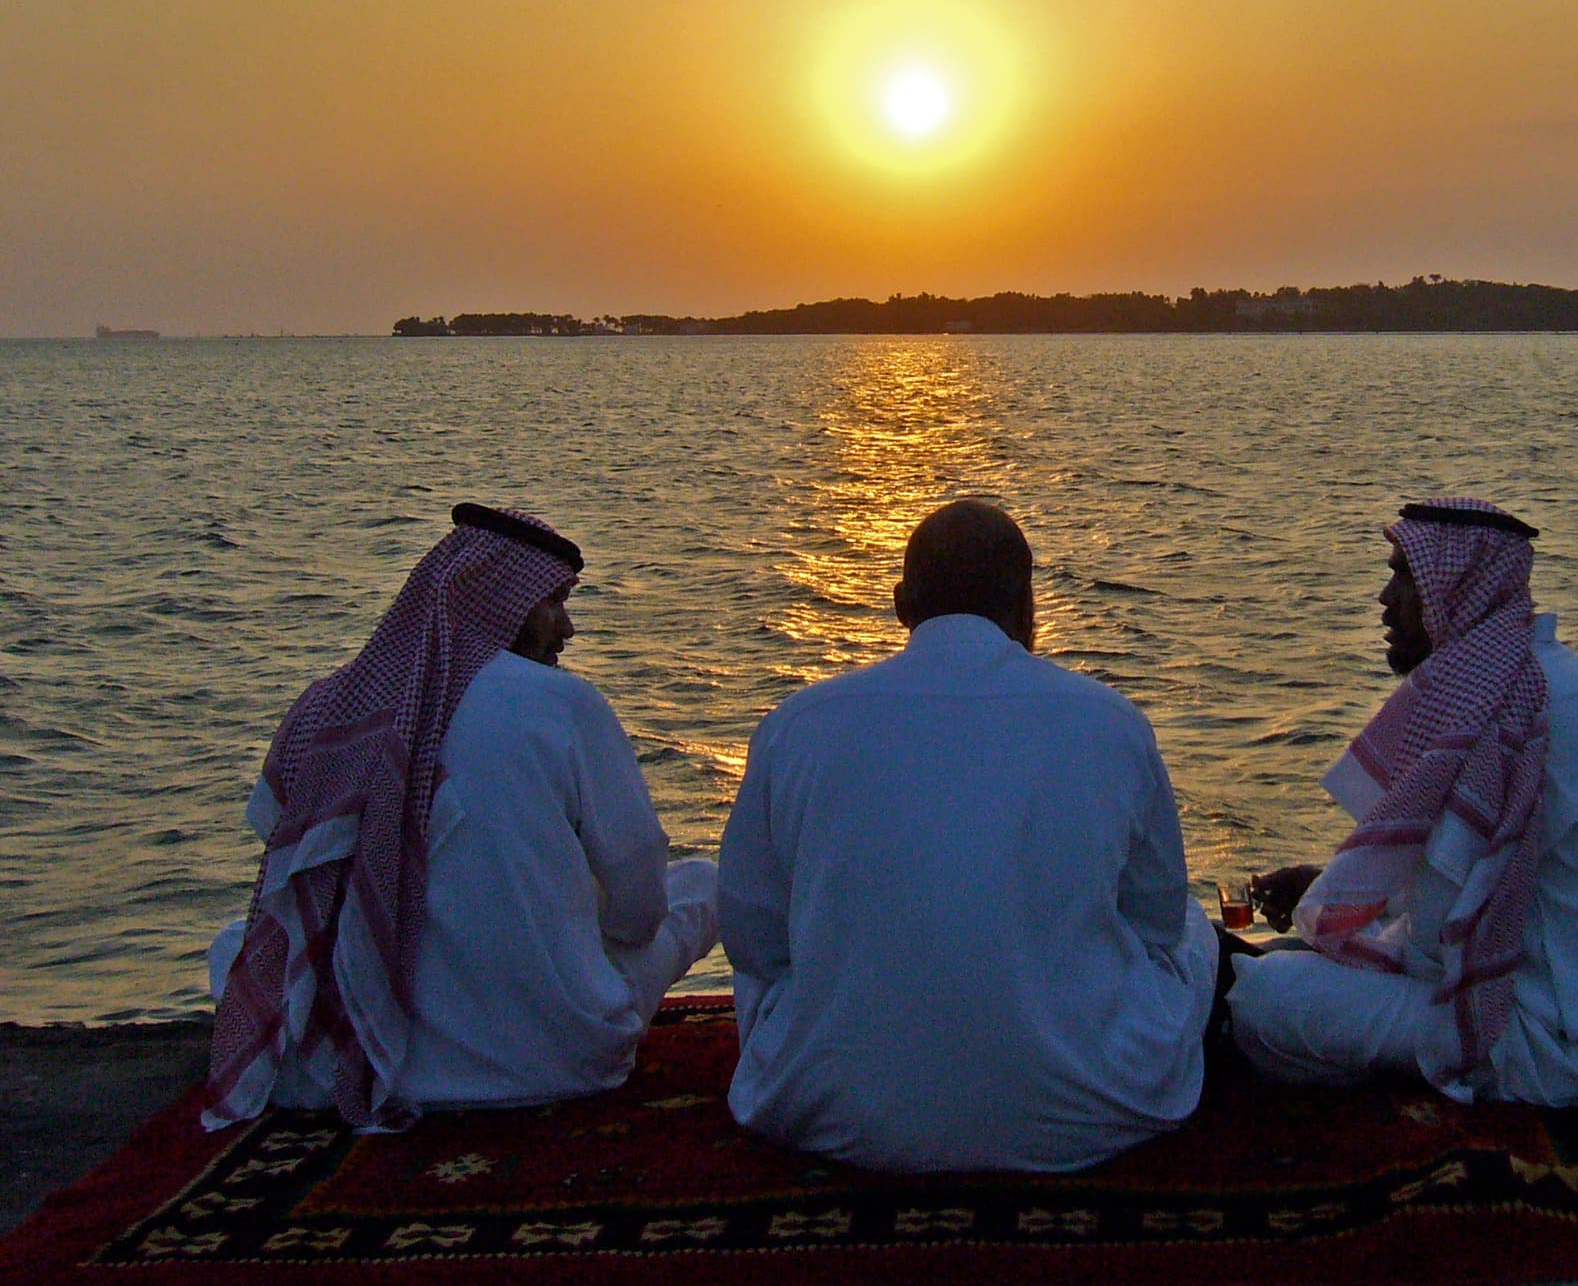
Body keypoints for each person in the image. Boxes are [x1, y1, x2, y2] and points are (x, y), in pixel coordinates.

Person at [718, 499, 1217, 1171]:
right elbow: (1155, 923)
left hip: (832, 1110)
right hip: (1090, 1110)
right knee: (1193, 926)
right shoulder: (1110, 721)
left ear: (900, 605)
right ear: (1028, 605)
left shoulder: (797, 724)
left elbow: (753, 938)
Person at [203, 504, 719, 1130]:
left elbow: (283, 852)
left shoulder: (331, 704)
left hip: (338, 1066)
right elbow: (639, 902)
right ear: (500, 600)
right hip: (559, 1056)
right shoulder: (561, 702)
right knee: (706, 886)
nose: (569, 627)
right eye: (553, 602)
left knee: (236, 942)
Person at [1227, 498, 1578, 1105]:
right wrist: (1329, 891)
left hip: (1545, 1048)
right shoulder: (1556, 683)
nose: (1385, 599)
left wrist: (1337, 915)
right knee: (1308, 966)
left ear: (1457, 589)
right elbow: (1473, 893)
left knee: (1264, 997)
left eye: (1405, 575)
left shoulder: (1501, 710)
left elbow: (1440, 938)